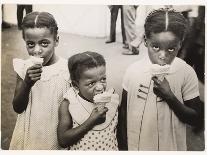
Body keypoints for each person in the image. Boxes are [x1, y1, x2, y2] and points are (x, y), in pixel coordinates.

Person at [117, 8, 203, 151]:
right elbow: (124, 114)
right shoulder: (133, 71)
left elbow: (195, 118)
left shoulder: (186, 72)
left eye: (171, 49)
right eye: (155, 47)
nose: (162, 55)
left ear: (180, 44)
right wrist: (123, 148)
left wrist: (170, 96)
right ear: (145, 41)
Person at [10, 12, 70, 149]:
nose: (37, 51)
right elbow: (18, 107)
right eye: (31, 44)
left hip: (55, 136)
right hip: (30, 134)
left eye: (44, 43)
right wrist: (27, 84)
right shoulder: (24, 67)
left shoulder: (67, 70)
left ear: (56, 40)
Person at [57, 51, 119, 150]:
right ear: (76, 85)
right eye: (91, 83)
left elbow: (116, 132)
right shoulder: (69, 103)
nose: (100, 87)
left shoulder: (112, 100)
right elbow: (63, 140)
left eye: (103, 79)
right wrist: (91, 121)